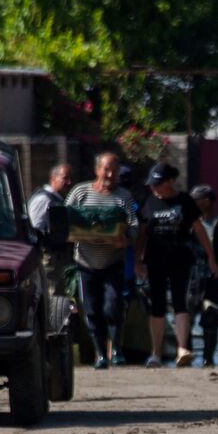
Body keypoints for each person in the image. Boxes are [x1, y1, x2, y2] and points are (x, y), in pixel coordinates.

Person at [135, 163, 218, 367]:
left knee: (180, 301)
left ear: (170, 182)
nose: (154, 188)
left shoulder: (184, 201)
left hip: (180, 258)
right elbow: (142, 233)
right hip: (155, 259)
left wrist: (211, 257)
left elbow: (199, 230)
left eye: (158, 184)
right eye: (152, 184)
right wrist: (138, 260)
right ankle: (155, 353)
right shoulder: (149, 202)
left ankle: (182, 349)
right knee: (157, 305)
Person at [66, 152, 136, 369]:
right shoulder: (80, 191)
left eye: (114, 170)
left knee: (113, 307)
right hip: (85, 263)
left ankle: (116, 349)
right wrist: (71, 235)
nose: (110, 174)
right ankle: (100, 354)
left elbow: (134, 225)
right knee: (92, 310)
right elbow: (63, 218)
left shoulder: (124, 196)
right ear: (97, 170)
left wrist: (124, 240)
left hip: (113, 262)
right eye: (106, 169)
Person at [187, 184, 218, 367]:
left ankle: (208, 358)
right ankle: (187, 355)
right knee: (186, 317)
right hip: (190, 280)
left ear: (207, 201)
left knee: (210, 317)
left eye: (196, 200)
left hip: (213, 280)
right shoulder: (189, 223)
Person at [28, 163, 72, 293]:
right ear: (53, 177)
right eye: (65, 178)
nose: (69, 182)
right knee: (51, 293)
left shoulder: (56, 200)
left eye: (70, 179)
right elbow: (35, 228)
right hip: (47, 257)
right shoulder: (43, 199)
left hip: (56, 257)